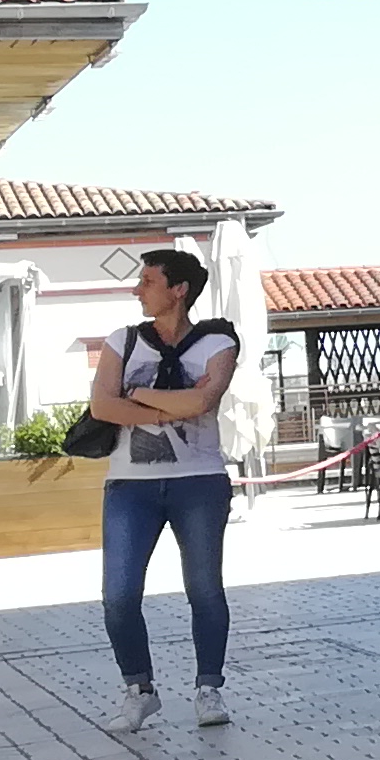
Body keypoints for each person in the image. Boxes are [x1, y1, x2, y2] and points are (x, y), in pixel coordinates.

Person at [85, 252, 240, 732]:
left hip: (200, 481)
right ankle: (140, 690)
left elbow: (203, 400)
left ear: (179, 290)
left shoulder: (218, 342)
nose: (138, 290)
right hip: (130, 485)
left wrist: (136, 396)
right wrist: (169, 408)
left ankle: (208, 688)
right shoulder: (123, 341)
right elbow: (101, 407)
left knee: (205, 588)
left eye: (148, 281)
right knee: (118, 595)